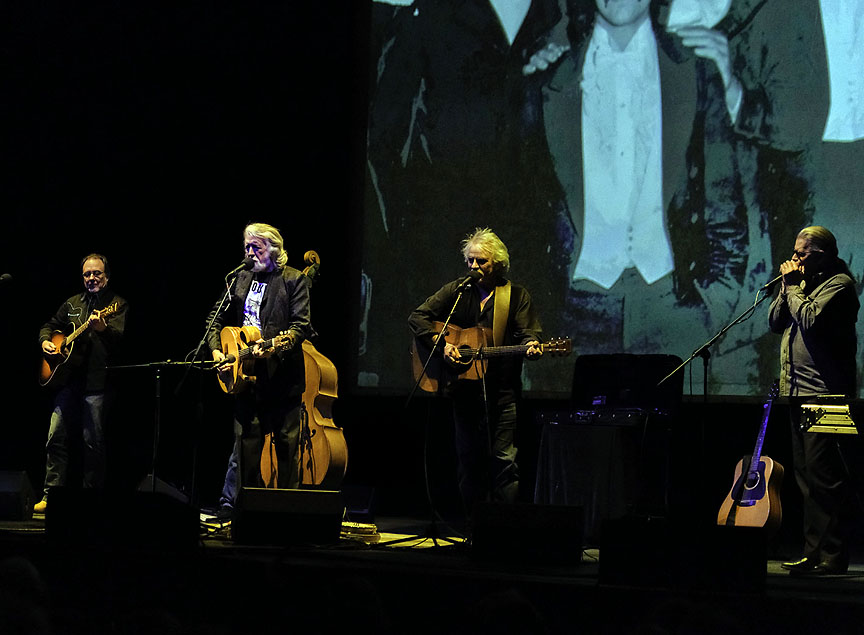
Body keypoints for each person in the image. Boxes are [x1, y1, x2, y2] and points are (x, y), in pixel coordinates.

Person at [408, 228, 543, 515]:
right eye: (470, 261)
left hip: (502, 394)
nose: (474, 267)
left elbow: (528, 334)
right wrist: (441, 344)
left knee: (504, 462)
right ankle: (474, 530)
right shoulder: (458, 290)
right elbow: (418, 316)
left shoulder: (515, 296)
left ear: (498, 263)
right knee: (469, 463)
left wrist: (532, 345)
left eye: (481, 262)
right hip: (464, 393)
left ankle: (505, 529)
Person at [206, 223, 314, 519]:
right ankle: (243, 512)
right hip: (245, 379)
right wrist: (217, 350)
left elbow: (300, 326)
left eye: (257, 247)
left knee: (286, 448)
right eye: (247, 247)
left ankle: (287, 515)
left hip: (282, 379)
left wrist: (277, 346)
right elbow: (214, 320)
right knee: (245, 449)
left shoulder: (293, 280)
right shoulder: (239, 278)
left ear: (274, 250)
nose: (251, 253)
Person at [768, 226, 859, 575]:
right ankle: (813, 552)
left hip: (826, 395)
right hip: (796, 392)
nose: (794, 259)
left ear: (822, 254)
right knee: (805, 479)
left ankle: (833, 556)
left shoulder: (839, 285)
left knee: (826, 477)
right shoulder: (800, 285)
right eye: (794, 253)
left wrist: (792, 288)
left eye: (801, 254)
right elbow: (776, 322)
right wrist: (784, 289)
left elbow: (810, 320)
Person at [35, 253, 128, 513]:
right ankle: (50, 495)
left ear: (106, 276)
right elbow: (50, 326)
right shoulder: (73, 303)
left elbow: (120, 341)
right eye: (87, 274)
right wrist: (46, 340)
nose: (91, 278)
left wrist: (102, 329)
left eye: (96, 273)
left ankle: (91, 500)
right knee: (55, 436)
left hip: (98, 383)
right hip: (68, 382)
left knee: (92, 442)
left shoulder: (117, 304)